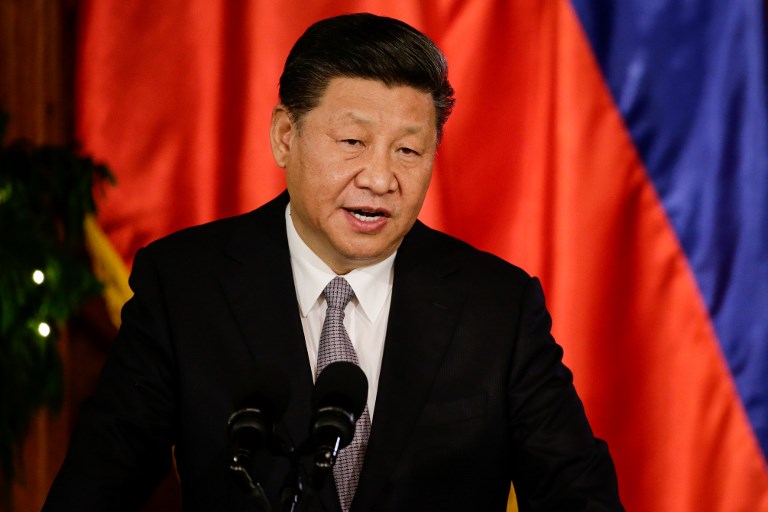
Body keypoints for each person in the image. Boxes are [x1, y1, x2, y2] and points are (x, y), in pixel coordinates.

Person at [44, 12, 623, 511]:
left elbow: (578, 492)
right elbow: (97, 488)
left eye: (408, 149)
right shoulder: (185, 286)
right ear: (284, 136)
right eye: (352, 142)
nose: (379, 178)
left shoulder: (496, 305)